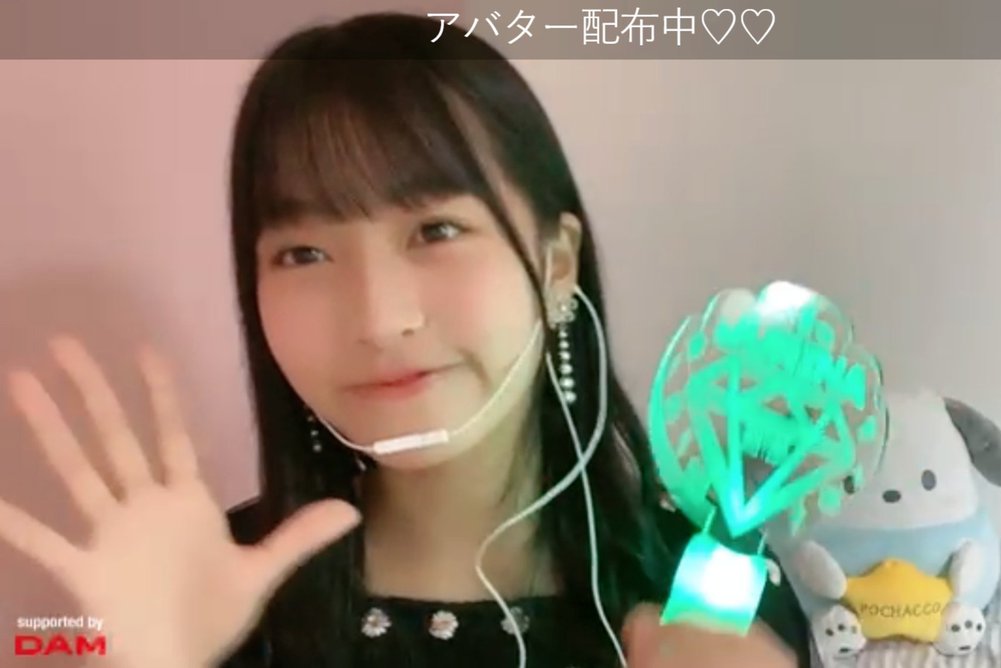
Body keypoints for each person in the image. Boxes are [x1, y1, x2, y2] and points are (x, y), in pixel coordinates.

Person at [0, 12, 811, 668]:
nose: (379, 319)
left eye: (436, 230)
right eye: (304, 253)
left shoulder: (708, 601)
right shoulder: (206, 591)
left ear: (556, 263)